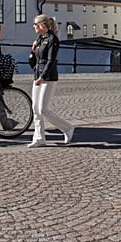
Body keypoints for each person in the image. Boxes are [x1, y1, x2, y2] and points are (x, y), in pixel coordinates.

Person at [27, 15, 75, 148]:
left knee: (43, 109)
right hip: (37, 76)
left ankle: (67, 128)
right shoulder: (39, 39)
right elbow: (33, 61)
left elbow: (50, 60)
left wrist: (42, 76)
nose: (34, 26)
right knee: (35, 109)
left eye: (36, 24)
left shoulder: (52, 39)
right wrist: (32, 51)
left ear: (43, 25)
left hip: (48, 77)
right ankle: (39, 138)